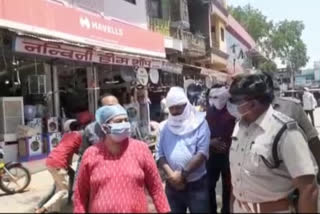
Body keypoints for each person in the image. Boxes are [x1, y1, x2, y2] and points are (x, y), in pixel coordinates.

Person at [228, 72, 318, 213]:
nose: (231, 105)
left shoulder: (285, 132)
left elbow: (308, 188)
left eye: (235, 101)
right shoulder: (239, 126)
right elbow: (238, 174)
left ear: (251, 104)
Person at [73, 104, 170, 213]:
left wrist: (164, 211)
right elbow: (80, 195)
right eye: (118, 121)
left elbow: (156, 188)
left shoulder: (141, 149)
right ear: (105, 127)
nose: (124, 124)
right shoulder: (91, 154)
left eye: (125, 120)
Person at [156, 87, 211, 213]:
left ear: (186, 105)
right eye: (171, 108)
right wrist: (172, 176)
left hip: (196, 184)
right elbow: (160, 155)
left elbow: (202, 153)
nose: (175, 111)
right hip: (172, 185)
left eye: (179, 107)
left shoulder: (200, 123)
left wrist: (182, 175)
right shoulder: (163, 127)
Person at [269, 76, 320, 182]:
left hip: (292, 174)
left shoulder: (291, 107)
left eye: (277, 89)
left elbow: (312, 138)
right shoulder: (244, 113)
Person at [35, 119, 83, 213]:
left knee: (58, 186)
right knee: (63, 190)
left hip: (51, 159)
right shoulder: (78, 136)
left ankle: (54, 209)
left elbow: (68, 149)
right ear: (80, 128)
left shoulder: (66, 135)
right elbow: (79, 151)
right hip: (59, 163)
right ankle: (43, 208)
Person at [206, 85, 235, 213]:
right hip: (212, 155)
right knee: (208, 186)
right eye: (211, 97)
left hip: (229, 156)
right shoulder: (209, 111)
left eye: (216, 97)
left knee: (228, 188)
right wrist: (210, 142)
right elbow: (203, 132)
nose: (214, 100)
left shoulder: (234, 111)